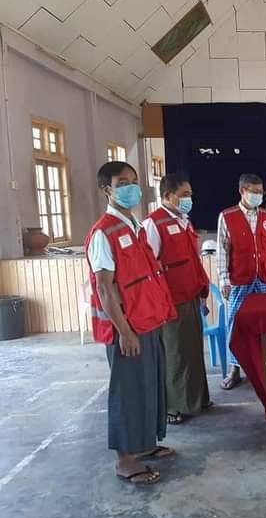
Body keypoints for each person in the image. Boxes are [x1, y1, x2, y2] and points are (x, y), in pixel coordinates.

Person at [85, 161, 177, 485]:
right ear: (106, 190)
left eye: (134, 181)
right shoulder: (104, 232)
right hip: (127, 329)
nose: (131, 188)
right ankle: (125, 459)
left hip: (148, 320)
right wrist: (124, 331)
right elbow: (104, 287)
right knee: (128, 391)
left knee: (149, 385)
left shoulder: (134, 227)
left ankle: (145, 444)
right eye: (122, 183)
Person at [143, 173, 211, 425]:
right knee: (175, 354)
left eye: (190, 194)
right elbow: (149, 267)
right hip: (170, 302)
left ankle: (196, 399)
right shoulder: (153, 225)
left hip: (191, 295)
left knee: (192, 351)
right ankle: (173, 406)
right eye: (184, 195)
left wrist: (202, 291)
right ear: (168, 196)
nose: (189, 199)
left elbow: (192, 260)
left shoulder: (184, 221)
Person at [217, 173, 266, 389]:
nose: (258, 196)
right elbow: (222, 251)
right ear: (242, 191)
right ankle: (235, 369)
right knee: (236, 324)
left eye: (261, 192)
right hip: (239, 280)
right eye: (254, 192)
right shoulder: (227, 217)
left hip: (265, 279)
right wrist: (224, 280)